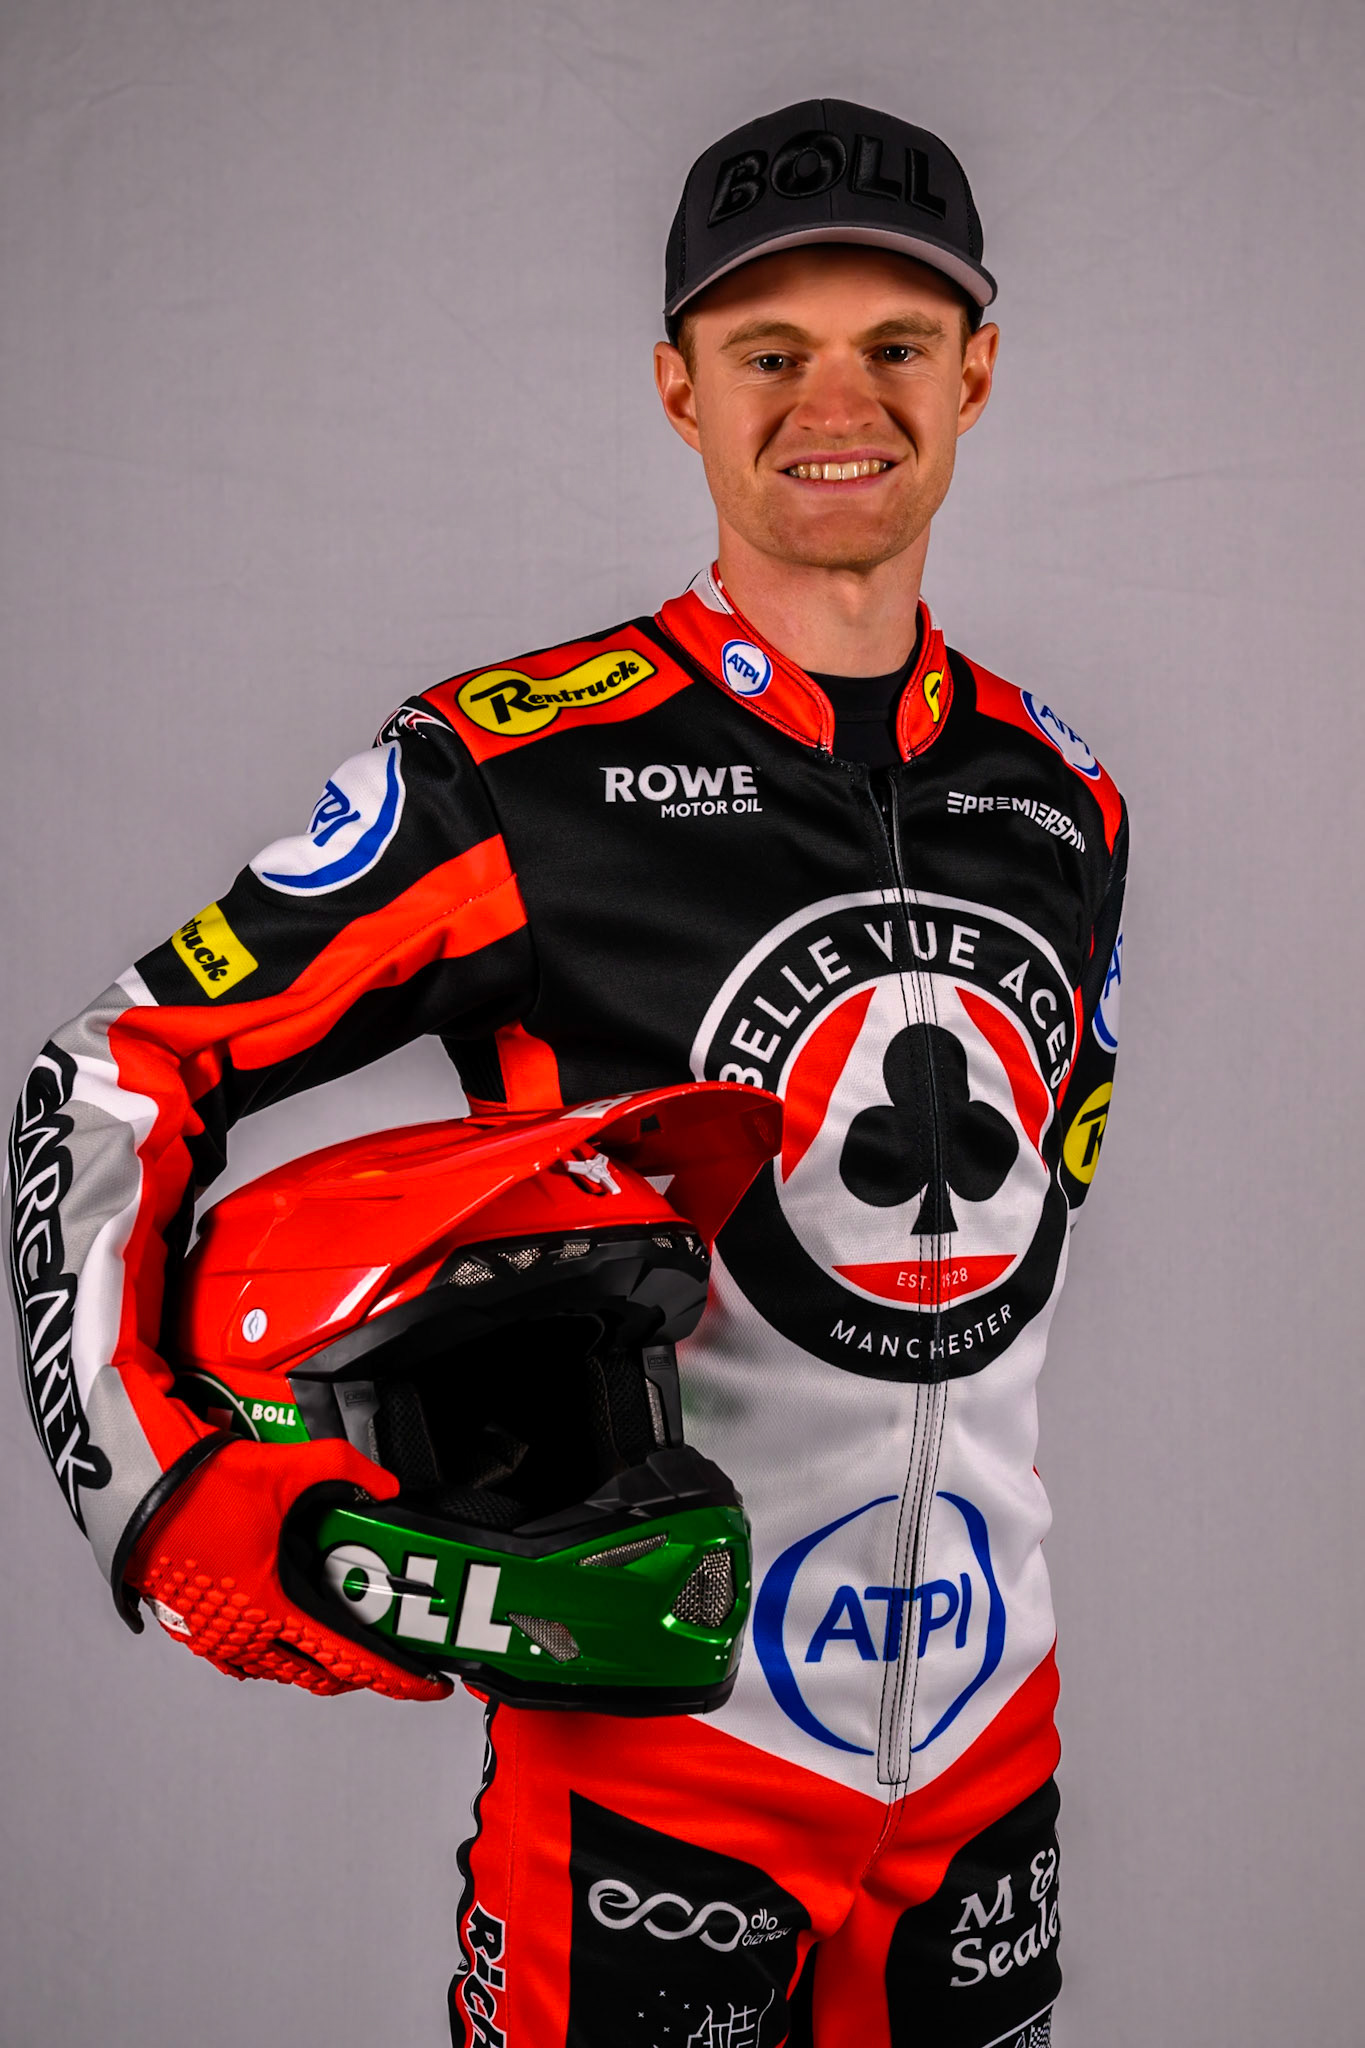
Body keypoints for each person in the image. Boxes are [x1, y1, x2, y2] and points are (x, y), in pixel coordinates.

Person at [7, 98, 1126, 2048]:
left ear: (975, 373)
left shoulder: (1062, 795)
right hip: (658, 1766)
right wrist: (160, 1491)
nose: (835, 400)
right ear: (678, 387)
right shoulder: (514, 772)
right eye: (768, 351)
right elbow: (110, 1071)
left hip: (986, 1754)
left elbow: (1030, 1211)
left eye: (893, 342)